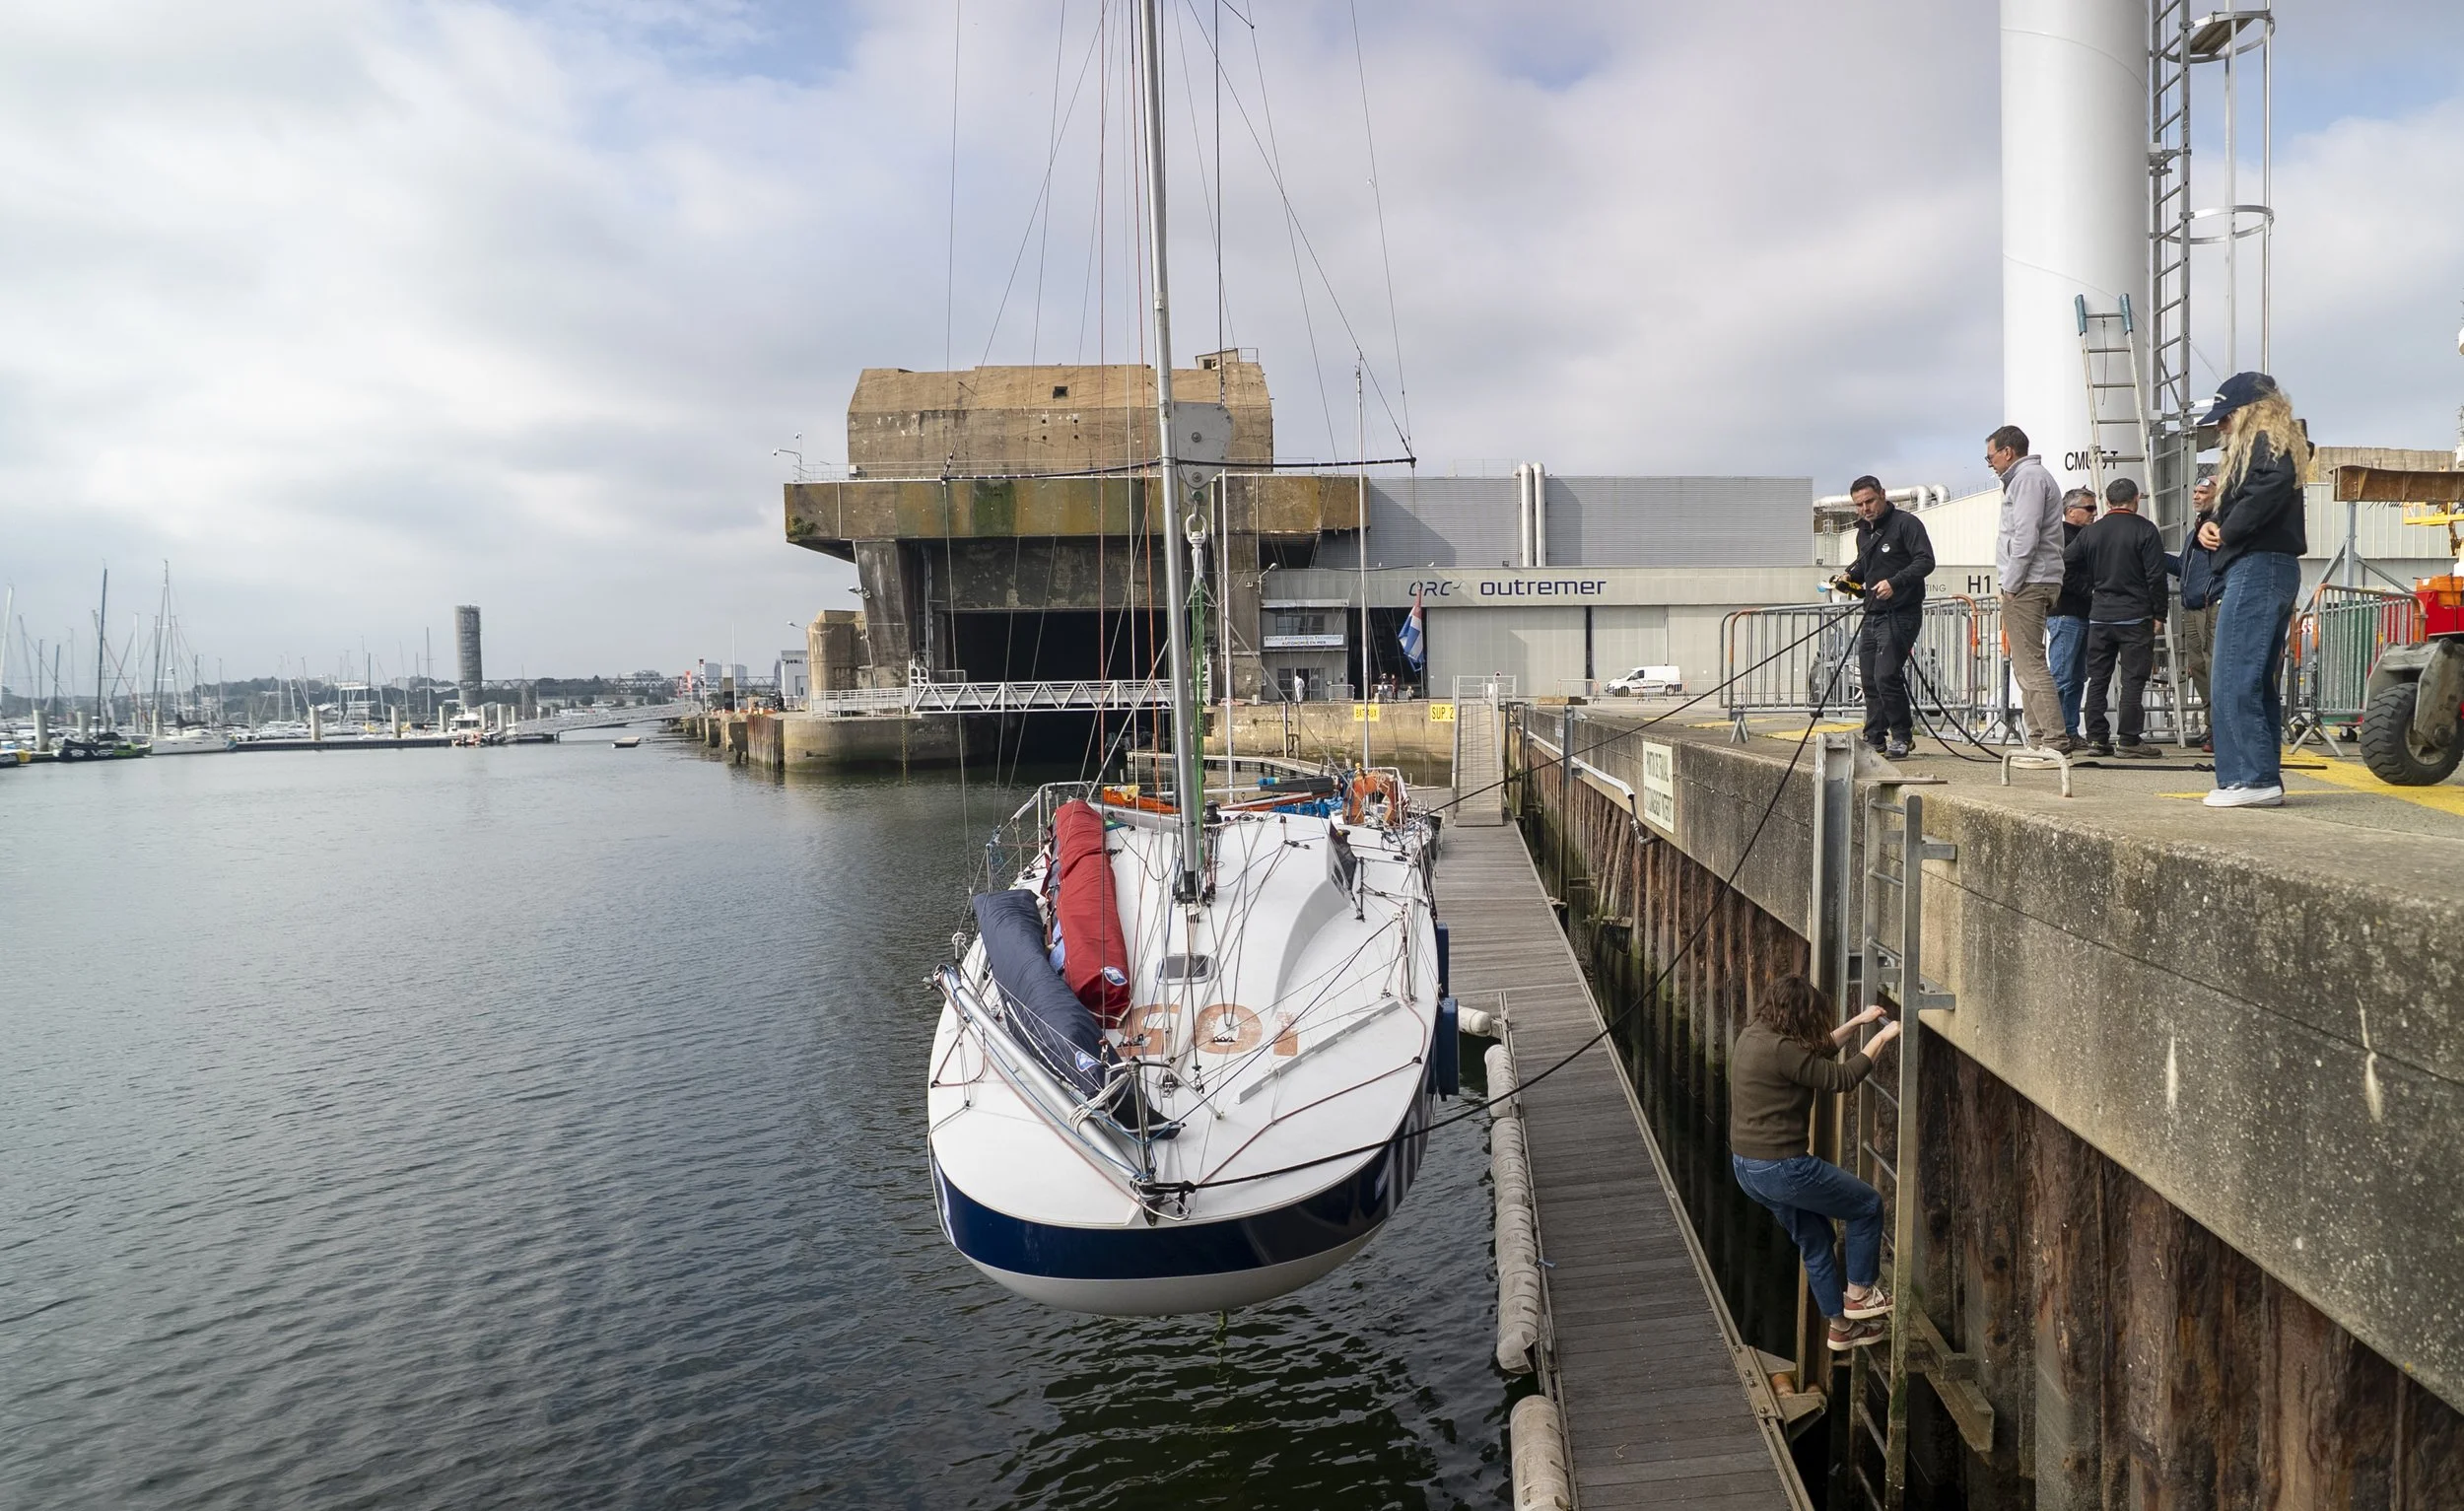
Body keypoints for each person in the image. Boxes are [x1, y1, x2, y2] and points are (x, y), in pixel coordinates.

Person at [1731, 975, 1902, 1351]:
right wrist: (1882, 1038)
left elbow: (1813, 1056)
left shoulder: (1756, 1034)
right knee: (1866, 1205)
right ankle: (1859, 1293)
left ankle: (1841, 1327)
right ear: (1797, 1015)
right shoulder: (1781, 1049)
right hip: (1781, 1168)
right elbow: (1841, 1077)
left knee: (1816, 1241)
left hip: (1747, 1167)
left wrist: (1858, 1023)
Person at [2198, 374, 2310, 807]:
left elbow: (2265, 490)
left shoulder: (2264, 441)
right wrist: (2211, 525)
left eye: (2226, 417)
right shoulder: (2279, 444)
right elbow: (2264, 493)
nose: (2222, 426)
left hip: (2258, 565)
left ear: (2248, 411)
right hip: (2271, 566)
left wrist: (2224, 529)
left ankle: (2248, 778)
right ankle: (2258, 776)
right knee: (2255, 679)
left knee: (2231, 676)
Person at [2066, 478, 2168, 756]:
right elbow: (2156, 576)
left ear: (2107, 502)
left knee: (2098, 678)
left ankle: (2097, 739)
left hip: (2099, 616)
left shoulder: (2090, 532)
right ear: (2136, 499)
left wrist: (2089, 588)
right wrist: (2160, 612)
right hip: (2135, 616)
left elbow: (2065, 562)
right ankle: (2129, 739)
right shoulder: (2146, 530)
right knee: (2133, 680)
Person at [1840, 475, 1935, 759]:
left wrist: (1895, 582)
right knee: (1868, 677)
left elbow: (1925, 561)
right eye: (1859, 504)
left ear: (1882, 494)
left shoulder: (1906, 524)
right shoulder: (1863, 532)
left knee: (1886, 675)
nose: (1865, 508)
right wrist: (1849, 577)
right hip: (1872, 613)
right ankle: (1875, 736)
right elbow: (1866, 570)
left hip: (1901, 612)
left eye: (1869, 501)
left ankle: (1902, 736)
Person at [1988, 426, 2071, 750]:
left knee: (2031, 664)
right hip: (2037, 579)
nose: (1991, 463)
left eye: (1991, 456)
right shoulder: (2031, 478)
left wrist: (2010, 584)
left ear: (2007, 452)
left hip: (2029, 581)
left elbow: (2025, 535)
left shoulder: (2027, 479)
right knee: (2025, 665)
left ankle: (2052, 737)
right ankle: (2038, 737)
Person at [2167, 467, 2222, 751]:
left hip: (2211, 604)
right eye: (2196, 492)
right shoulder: (2196, 531)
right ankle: (2212, 724)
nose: (2197, 496)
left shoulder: (2219, 526)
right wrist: (2153, 552)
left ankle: (2218, 728)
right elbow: (2181, 568)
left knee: (2213, 667)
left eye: (2203, 492)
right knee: (2199, 667)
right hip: (2191, 605)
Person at [2049, 488, 2098, 740]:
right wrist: (2090, 590)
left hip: (2082, 613)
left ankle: (2069, 729)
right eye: (2089, 508)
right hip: (2066, 612)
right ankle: (2056, 731)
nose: (2094, 513)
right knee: (2062, 674)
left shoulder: (2087, 536)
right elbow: (2062, 572)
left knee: (2077, 676)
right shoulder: (2060, 536)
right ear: (2071, 511)